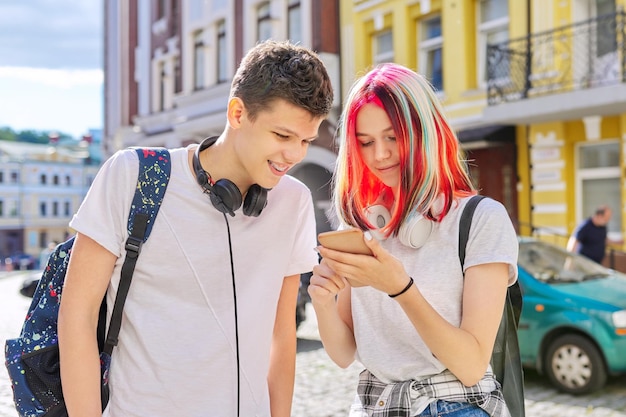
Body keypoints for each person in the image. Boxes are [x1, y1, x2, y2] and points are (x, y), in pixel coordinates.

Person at [58, 40, 334, 417]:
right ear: (238, 113)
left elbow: (280, 338)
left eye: (305, 140)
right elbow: (77, 316)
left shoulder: (294, 202)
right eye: (282, 136)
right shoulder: (132, 176)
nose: (294, 155)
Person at [308, 63, 518, 417]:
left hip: (453, 406)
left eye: (393, 137)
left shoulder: (481, 219)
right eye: (366, 142)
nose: (379, 154)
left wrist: (400, 288)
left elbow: (470, 365)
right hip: (375, 405)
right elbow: (344, 354)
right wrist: (323, 301)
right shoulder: (361, 226)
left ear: (425, 132)